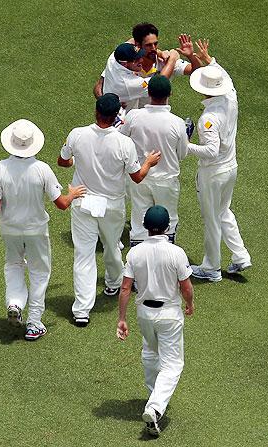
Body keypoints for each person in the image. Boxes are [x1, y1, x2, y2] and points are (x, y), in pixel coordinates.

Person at [58, 93, 161, 327]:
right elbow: (137, 177)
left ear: (96, 112)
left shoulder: (77, 134)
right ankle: (114, 283)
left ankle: (82, 311)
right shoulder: (125, 144)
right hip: (111, 205)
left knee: (83, 255)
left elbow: (63, 161)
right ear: (117, 116)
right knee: (112, 245)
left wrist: (78, 160)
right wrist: (149, 163)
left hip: (83, 202)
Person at [0, 119, 86, 340]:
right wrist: (72, 194)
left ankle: (15, 302)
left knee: (13, 265)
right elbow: (61, 204)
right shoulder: (42, 169)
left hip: (9, 228)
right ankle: (34, 322)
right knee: (39, 272)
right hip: (36, 229)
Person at [116, 205, 195, 438]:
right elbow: (186, 286)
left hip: (144, 314)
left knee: (150, 353)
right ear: (167, 228)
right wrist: (189, 304)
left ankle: (154, 396)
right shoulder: (176, 253)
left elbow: (125, 288)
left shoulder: (134, 253)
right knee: (173, 364)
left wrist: (122, 318)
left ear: (145, 227)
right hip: (169, 314)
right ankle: (155, 407)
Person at [185, 41, 252, 282]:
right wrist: (207, 58)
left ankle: (211, 267)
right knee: (223, 211)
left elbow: (210, 151)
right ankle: (240, 255)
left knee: (212, 218)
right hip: (230, 167)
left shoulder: (208, 119)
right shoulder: (230, 97)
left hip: (213, 173)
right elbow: (226, 77)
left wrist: (184, 145)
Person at [120, 75, 189, 245]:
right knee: (169, 220)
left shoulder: (134, 116)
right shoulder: (177, 123)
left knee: (138, 220)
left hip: (139, 178)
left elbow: (121, 140)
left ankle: (138, 261)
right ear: (170, 94)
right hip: (166, 181)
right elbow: (182, 155)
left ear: (148, 93)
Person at [94, 23, 201, 101]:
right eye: (149, 45)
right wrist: (172, 60)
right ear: (138, 45)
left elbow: (196, 71)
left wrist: (191, 56)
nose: (153, 48)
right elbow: (158, 83)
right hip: (127, 122)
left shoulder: (121, 56)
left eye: (155, 44)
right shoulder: (127, 76)